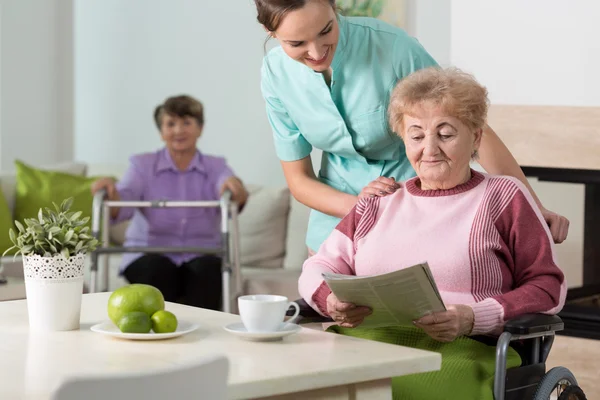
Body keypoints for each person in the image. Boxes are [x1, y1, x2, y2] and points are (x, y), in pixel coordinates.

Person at [298, 67, 567, 399]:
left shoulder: (503, 197)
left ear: (476, 138)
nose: (430, 149)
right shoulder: (377, 203)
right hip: (367, 340)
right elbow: (317, 265)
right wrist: (330, 299)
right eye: (416, 134)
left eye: (445, 133)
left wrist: (472, 317)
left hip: (464, 347)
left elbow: (546, 286)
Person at [254, 0, 570, 256]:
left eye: (326, 30)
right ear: (270, 32)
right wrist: (362, 209)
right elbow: (299, 180)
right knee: (331, 323)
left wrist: (532, 207)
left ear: (334, 7)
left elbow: (472, 126)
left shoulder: (393, 48)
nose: (316, 51)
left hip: (416, 207)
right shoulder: (275, 74)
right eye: (297, 43)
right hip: (336, 217)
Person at [91, 95, 249, 310]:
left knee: (206, 272)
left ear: (200, 129)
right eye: (171, 123)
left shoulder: (216, 166)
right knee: (157, 271)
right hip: (149, 253)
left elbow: (231, 189)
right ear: (161, 131)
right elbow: (123, 203)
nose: (178, 130)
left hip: (203, 253)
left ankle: (202, 336)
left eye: (187, 123)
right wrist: (110, 191)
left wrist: (234, 185)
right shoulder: (141, 165)